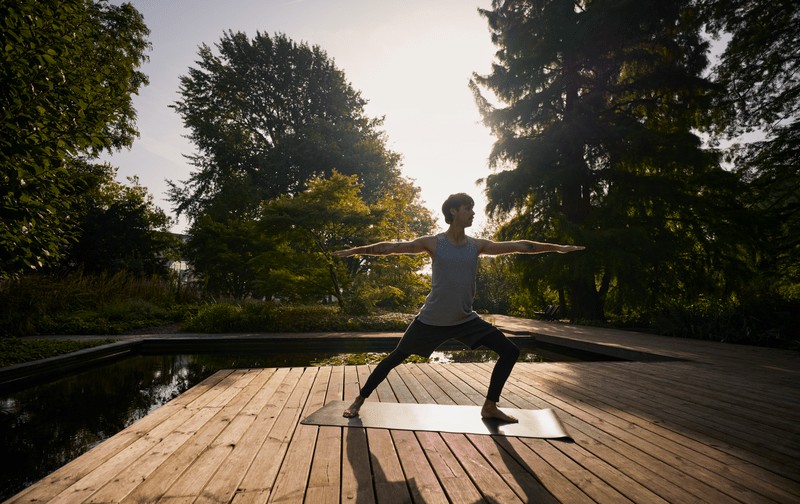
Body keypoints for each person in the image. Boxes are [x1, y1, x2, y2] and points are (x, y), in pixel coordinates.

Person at [333, 193, 584, 422]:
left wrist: (557, 248)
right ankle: (359, 400)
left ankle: (489, 406)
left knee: (510, 351)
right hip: (431, 320)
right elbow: (391, 248)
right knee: (393, 360)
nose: (473, 213)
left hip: (465, 320)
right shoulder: (433, 243)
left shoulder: (478, 246)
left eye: (473, 209)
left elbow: (520, 245)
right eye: (468, 208)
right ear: (453, 212)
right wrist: (355, 251)